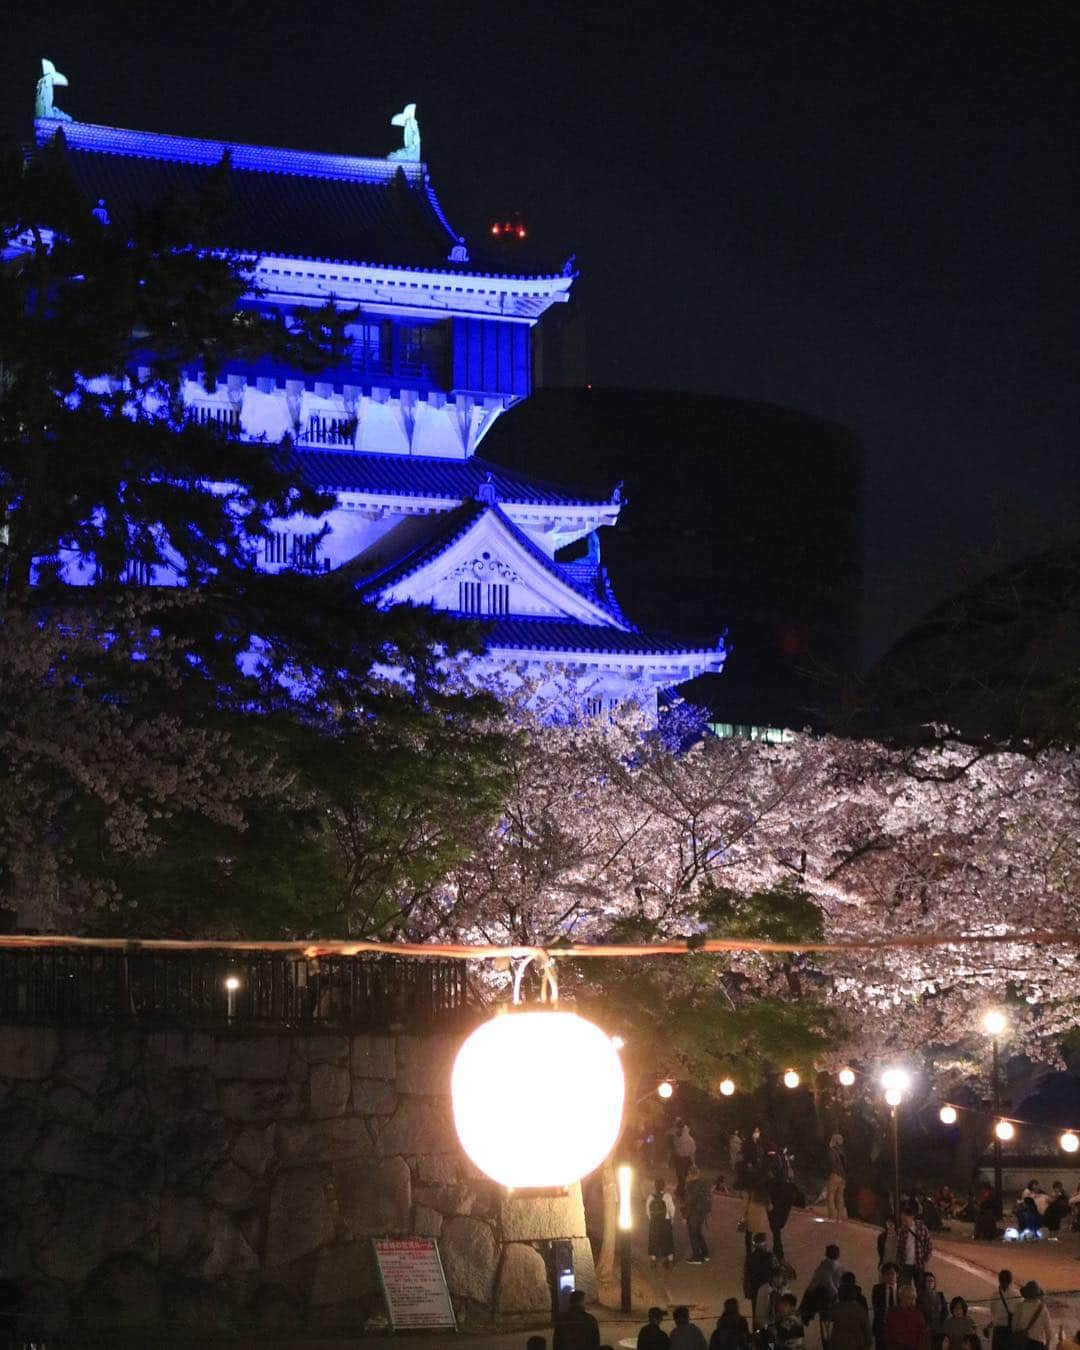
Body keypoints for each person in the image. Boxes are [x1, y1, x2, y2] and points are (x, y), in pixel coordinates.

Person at [802, 1244, 843, 1348]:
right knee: (832, 1330)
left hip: (826, 1304)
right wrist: (838, 1295)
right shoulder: (835, 1266)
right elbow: (831, 1283)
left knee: (826, 1332)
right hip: (830, 1303)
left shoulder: (824, 1266)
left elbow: (814, 1285)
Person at [885, 1283, 929, 1350]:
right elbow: (888, 1334)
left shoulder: (918, 1314)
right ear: (901, 1297)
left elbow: (923, 1335)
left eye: (914, 1298)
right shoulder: (892, 1313)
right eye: (909, 1298)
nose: (912, 1301)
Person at [768, 1158, 797, 1261]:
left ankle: (778, 1254)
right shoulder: (785, 1185)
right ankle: (778, 1253)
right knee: (776, 1232)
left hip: (776, 1212)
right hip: (781, 1213)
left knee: (776, 1233)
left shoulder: (774, 1184)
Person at [683, 1164, 712, 1264]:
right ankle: (705, 1253)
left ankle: (696, 1257)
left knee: (693, 1235)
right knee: (699, 1233)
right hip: (702, 1213)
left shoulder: (690, 1186)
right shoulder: (703, 1184)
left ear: (690, 1174)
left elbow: (689, 1202)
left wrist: (685, 1216)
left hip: (694, 1214)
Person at [986, 1270, 1021, 1350]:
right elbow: (1019, 1314)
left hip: (998, 1331)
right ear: (1011, 1280)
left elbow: (994, 1313)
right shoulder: (1017, 1295)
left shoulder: (994, 1296)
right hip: (1011, 1331)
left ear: (999, 1280)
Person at [831, 1282, 872, 1350]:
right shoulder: (859, 1308)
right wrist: (868, 1344)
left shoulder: (836, 1308)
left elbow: (826, 1317)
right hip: (857, 1344)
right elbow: (866, 1328)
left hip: (838, 1344)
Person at [897, 1206, 932, 1285]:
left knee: (919, 1288)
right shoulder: (902, 1230)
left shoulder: (922, 1228)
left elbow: (929, 1245)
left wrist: (925, 1259)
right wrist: (898, 1261)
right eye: (902, 1220)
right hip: (905, 1264)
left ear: (911, 1217)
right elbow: (899, 1248)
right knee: (904, 1287)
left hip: (918, 1264)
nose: (904, 1222)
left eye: (905, 1220)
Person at [1011, 1283, 1052, 1350]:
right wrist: (1047, 1345)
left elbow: (1014, 1326)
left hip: (1022, 1343)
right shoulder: (1043, 1308)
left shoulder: (1020, 1307)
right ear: (1038, 1295)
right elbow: (1048, 1330)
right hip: (1037, 1345)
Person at [648, 1178, 677, 1268]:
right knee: (667, 1241)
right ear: (664, 1186)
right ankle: (670, 1260)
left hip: (654, 1222)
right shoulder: (667, 1196)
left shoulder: (650, 1197)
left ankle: (653, 1260)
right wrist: (671, 1218)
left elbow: (648, 1210)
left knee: (653, 1240)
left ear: (655, 1186)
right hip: (665, 1221)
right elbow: (672, 1209)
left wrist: (651, 1218)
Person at [873, 1264, 902, 1350]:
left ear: (897, 1275)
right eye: (887, 1274)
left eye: (892, 1273)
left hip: (899, 1326)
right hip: (882, 1326)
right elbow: (876, 1307)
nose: (890, 1276)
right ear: (883, 1276)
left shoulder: (902, 1288)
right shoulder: (877, 1289)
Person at [745, 1232, 778, 1306]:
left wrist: (747, 1289)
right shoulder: (769, 1256)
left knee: (756, 1310)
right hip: (767, 1288)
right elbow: (776, 1270)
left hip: (755, 1289)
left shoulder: (750, 1258)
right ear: (764, 1244)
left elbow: (747, 1273)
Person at [917, 1272, 947, 1347]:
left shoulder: (940, 1295)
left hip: (939, 1328)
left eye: (932, 1281)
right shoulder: (920, 1297)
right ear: (924, 1283)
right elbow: (919, 1313)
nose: (930, 1283)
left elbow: (945, 1311)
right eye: (928, 1281)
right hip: (926, 1329)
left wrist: (942, 1324)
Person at [756, 1268, 788, 1337]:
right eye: (776, 1277)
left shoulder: (785, 1291)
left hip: (781, 1324)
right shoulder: (764, 1289)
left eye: (781, 1277)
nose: (779, 1279)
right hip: (767, 1324)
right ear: (772, 1277)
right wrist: (764, 1325)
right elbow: (760, 1310)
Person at [670, 1120, 697, 1197]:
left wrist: (693, 1162)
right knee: (681, 1176)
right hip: (681, 1159)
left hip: (683, 1159)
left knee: (682, 1176)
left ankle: (681, 1191)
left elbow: (691, 1151)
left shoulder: (685, 1137)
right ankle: (681, 1190)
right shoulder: (679, 1136)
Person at [827, 1133, 848, 1222]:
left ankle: (832, 1216)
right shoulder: (842, 1152)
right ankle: (840, 1217)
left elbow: (832, 1163)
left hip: (835, 1175)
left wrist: (832, 1172)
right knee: (840, 1197)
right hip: (842, 1176)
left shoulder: (832, 1151)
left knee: (830, 1195)